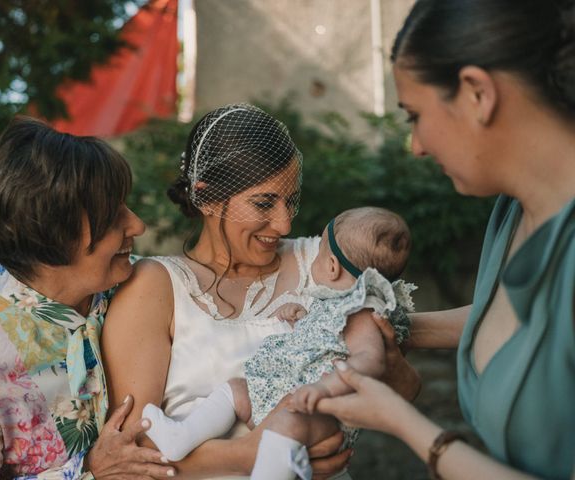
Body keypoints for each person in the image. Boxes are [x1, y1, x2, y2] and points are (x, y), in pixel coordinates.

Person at [316, 1, 575, 479]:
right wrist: (388, 326)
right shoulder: (513, 211)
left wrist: (407, 426)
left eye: (414, 115)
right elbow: (514, 325)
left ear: (477, 92)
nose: (414, 145)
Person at [101, 103, 351, 479]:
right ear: (206, 198)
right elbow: (135, 450)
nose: (284, 224)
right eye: (264, 203)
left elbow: (399, 372)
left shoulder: (318, 264)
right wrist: (257, 453)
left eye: (290, 200)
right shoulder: (154, 286)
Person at [0, 117, 175, 479]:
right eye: (112, 219)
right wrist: (88, 471)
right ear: (50, 238)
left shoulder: (142, 286)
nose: (137, 225)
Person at [141, 206, 416, 480]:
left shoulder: (363, 314)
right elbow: (326, 341)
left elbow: (370, 360)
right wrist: (302, 318)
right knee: (237, 389)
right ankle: (182, 436)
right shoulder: (334, 305)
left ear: (332, 267)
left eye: (318, 255)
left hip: (321, 412)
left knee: (286, 426)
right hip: (283, 398)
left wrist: (325, 387)